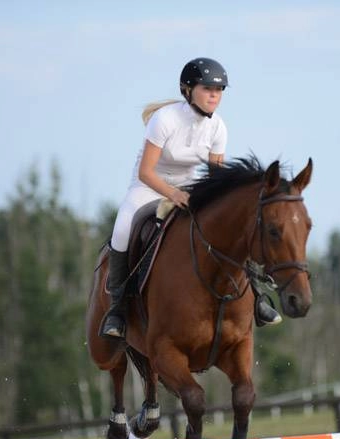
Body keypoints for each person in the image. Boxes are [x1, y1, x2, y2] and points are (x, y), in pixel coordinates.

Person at [100, 57, 281, 339]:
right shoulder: (165, 120)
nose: (214, 95)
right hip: (148, 185)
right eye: (208, 88)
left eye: (220, 90)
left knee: (228, 228)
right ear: (187, 90)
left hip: (190, 186)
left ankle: (256, 300)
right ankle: (117, 310)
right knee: (122, 230)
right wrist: (173, 194)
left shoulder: (218, 127)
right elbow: (146, 172)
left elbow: (215, 177)